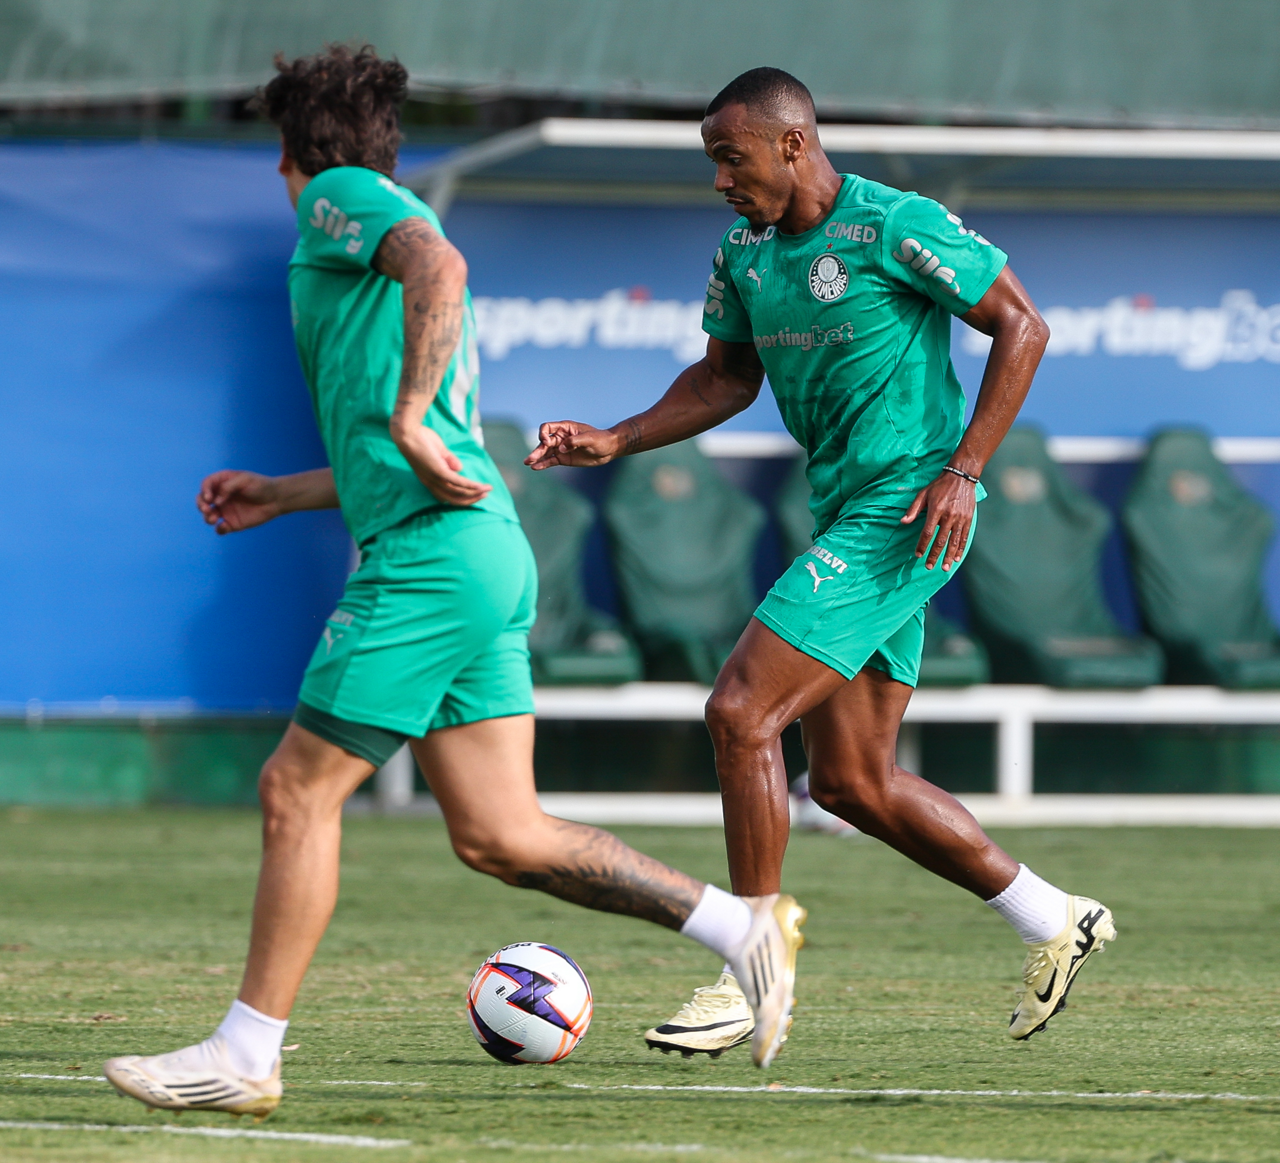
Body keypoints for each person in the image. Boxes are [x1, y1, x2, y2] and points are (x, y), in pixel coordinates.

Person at [103, 47, 806, 1118]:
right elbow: (423, 434)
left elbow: (439, 269)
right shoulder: (369, 215)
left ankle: (246, 1052)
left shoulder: (339, 194)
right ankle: (739, 926)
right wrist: (287, 492)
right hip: (477, 548)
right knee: (501, 835)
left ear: (293, 155)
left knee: (295, 789)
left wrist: (402, 413)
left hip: (430, 559)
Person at [527, 67, 1116, 1059]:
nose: (720, 181)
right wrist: (617, 437)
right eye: (712, 162)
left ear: (792, 143)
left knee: (739, 711)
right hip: (845, 511)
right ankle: (1055, 917)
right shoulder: (744, 253)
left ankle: (752, 961)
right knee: (849, 783)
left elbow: (1023, 324)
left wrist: (964, 469)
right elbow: (726, 377)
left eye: (731, 158)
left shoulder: (894, 224)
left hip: (909, 508)